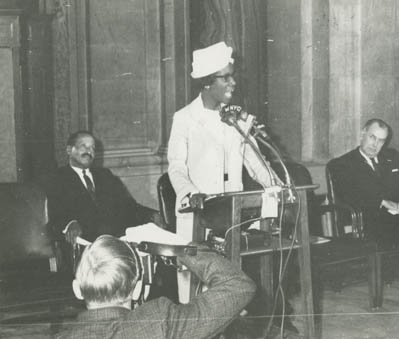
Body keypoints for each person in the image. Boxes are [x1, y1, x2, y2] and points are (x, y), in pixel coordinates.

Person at [167, 41, 277, 302]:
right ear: (206, 82)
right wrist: (191, 193)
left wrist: (276, 186)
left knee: (233, 289)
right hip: (199, 217)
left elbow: (256, 162)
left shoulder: (236, 118)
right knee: (197, 296)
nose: (233, 83)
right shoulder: (184, 119)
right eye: (225, 77)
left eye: (233, 76)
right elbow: (176, 166)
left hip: (232, 217)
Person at [57, 235, 256, 338]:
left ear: (77, 289)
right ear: (136, 289)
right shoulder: (160, 320)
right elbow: (237, 285)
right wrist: (178, 247)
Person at [47, 131, 157, 248]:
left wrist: (151, 214)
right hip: (82, 245)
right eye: (83, 146)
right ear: (69, 150)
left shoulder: (105, 175)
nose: (89, 151)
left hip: (115, 240)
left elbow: (128, 205)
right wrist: (69, 223)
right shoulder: (57, 178)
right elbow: (55, 210)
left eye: (93, 148)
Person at [330, 118, 399, 249]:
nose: (375, 144)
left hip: (398, 216)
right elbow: (349, 195)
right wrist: (382, 201)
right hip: (368, 220)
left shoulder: (392, 157)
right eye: (372, 137)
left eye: (381, 141)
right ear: (362, 135)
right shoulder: (343, 164)